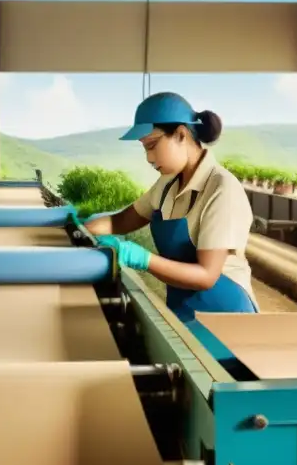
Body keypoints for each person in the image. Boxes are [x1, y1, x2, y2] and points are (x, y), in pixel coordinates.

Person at [83, 92, 257, 359]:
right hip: (185, 312)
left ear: (180, 134)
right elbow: (121, 220)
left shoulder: (221, 188)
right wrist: (82, 228)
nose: (149, 158)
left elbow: (206, 276)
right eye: (144, 148)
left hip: (225, 322)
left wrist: (138, 257)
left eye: (152, 145)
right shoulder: (167, 185)